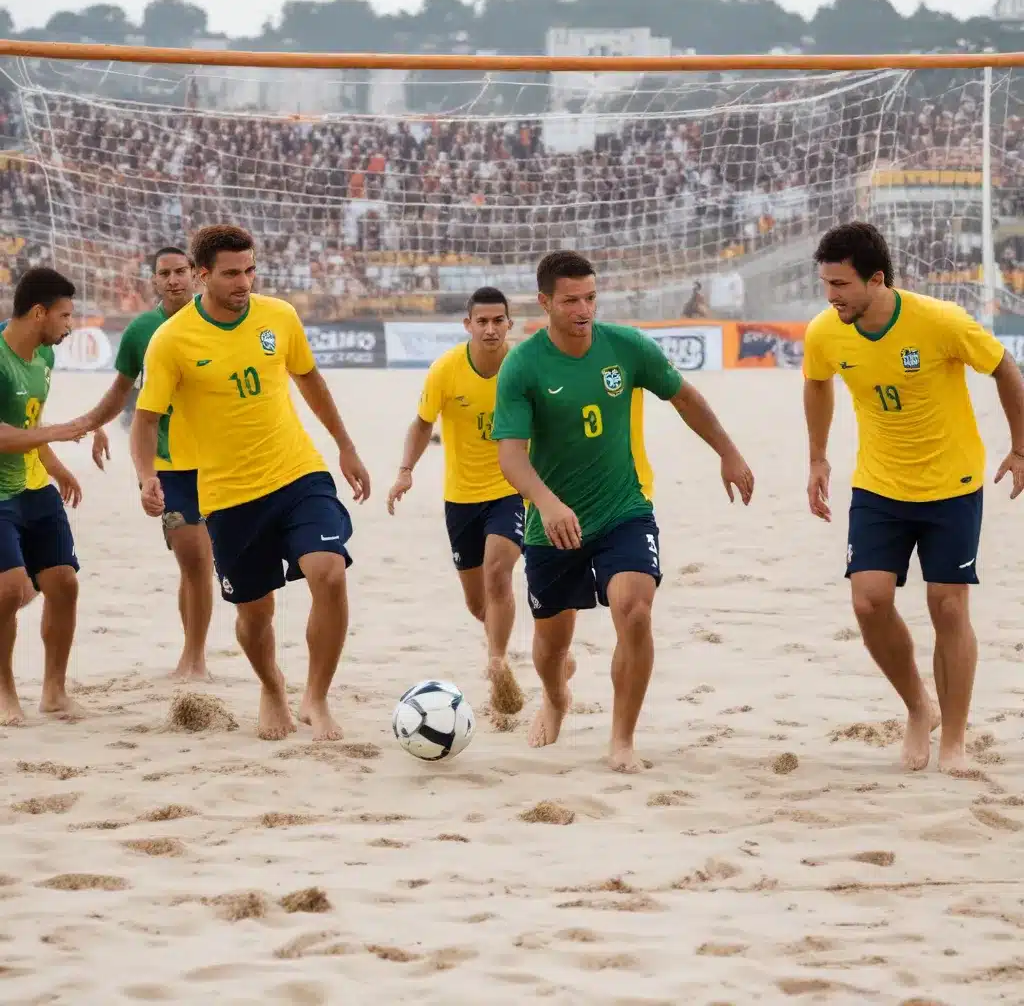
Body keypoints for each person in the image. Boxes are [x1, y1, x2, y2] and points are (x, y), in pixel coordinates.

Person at [491, 250, 755, 772]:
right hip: (553, 524)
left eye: (590, 297)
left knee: (634, 612)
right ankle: (556, 697)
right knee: (550, 644)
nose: (583, 309)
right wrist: (546, 503)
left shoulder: (625, 346)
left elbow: (684, 397)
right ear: (545, 303)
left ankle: (622, 739)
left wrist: (728, 451)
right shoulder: (523, 365)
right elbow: (510, 455)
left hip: (622, 510)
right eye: (570, 301)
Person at [131, 224, 371, 742]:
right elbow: (146, 418)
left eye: (250, 269)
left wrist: (345, 446)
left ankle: (317, 697)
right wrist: (148, 477)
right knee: (254, 613)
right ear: (202, 276)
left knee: (329, 573)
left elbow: (309, 379)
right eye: (232, 273)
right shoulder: (170, 340)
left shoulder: (278, 315)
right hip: (229, 494)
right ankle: (271, 686)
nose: (245, 282)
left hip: (297, 472)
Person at [803, 221, 1024, 774]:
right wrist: (818, 457)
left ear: (876, 280)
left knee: (947, 606)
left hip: (951, 486)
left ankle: (953, 740)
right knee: (868, 602)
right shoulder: (825, 332)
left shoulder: (940, 321)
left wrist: (1020, 449)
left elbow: (1004, 368)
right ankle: (917, 707)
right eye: (825, 285)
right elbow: (817, 380)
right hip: (879, 486)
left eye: (840, 285)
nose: (831, 297)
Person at [386, 287, 527, 716]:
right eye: (480, 321)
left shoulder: (525, 366)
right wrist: (405, 471)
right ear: (467, 324)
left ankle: (497, 662)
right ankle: (515, 647)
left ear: (509, 324)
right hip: (461, 497)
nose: (489, 329)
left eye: (497, 321)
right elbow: (421, 423)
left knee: (498, 573)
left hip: (512, 488)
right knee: (476, 603)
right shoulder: (446, 369)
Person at [85, 246, 212, 682]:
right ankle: (193, 658)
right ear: (154, 281)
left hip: (223, 461)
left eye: (180, 271)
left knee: (218, 562)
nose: (174, 279)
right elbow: (121, 391)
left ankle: (204, 652)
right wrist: (92, 424)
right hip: (169, 464)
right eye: (165, 274)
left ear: (196, 275)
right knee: (193, 559)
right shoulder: (142, 329)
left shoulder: (217, 319)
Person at [0, 267, 92, 725]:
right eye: (64, 315)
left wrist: (56, 466)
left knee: (64, 583)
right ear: (39, 312)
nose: (69, 325)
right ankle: (4, 692)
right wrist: (63, 431)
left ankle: (54, 692)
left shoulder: (44, 358)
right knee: (9, 591)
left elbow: (30, 426)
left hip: (34, 486)